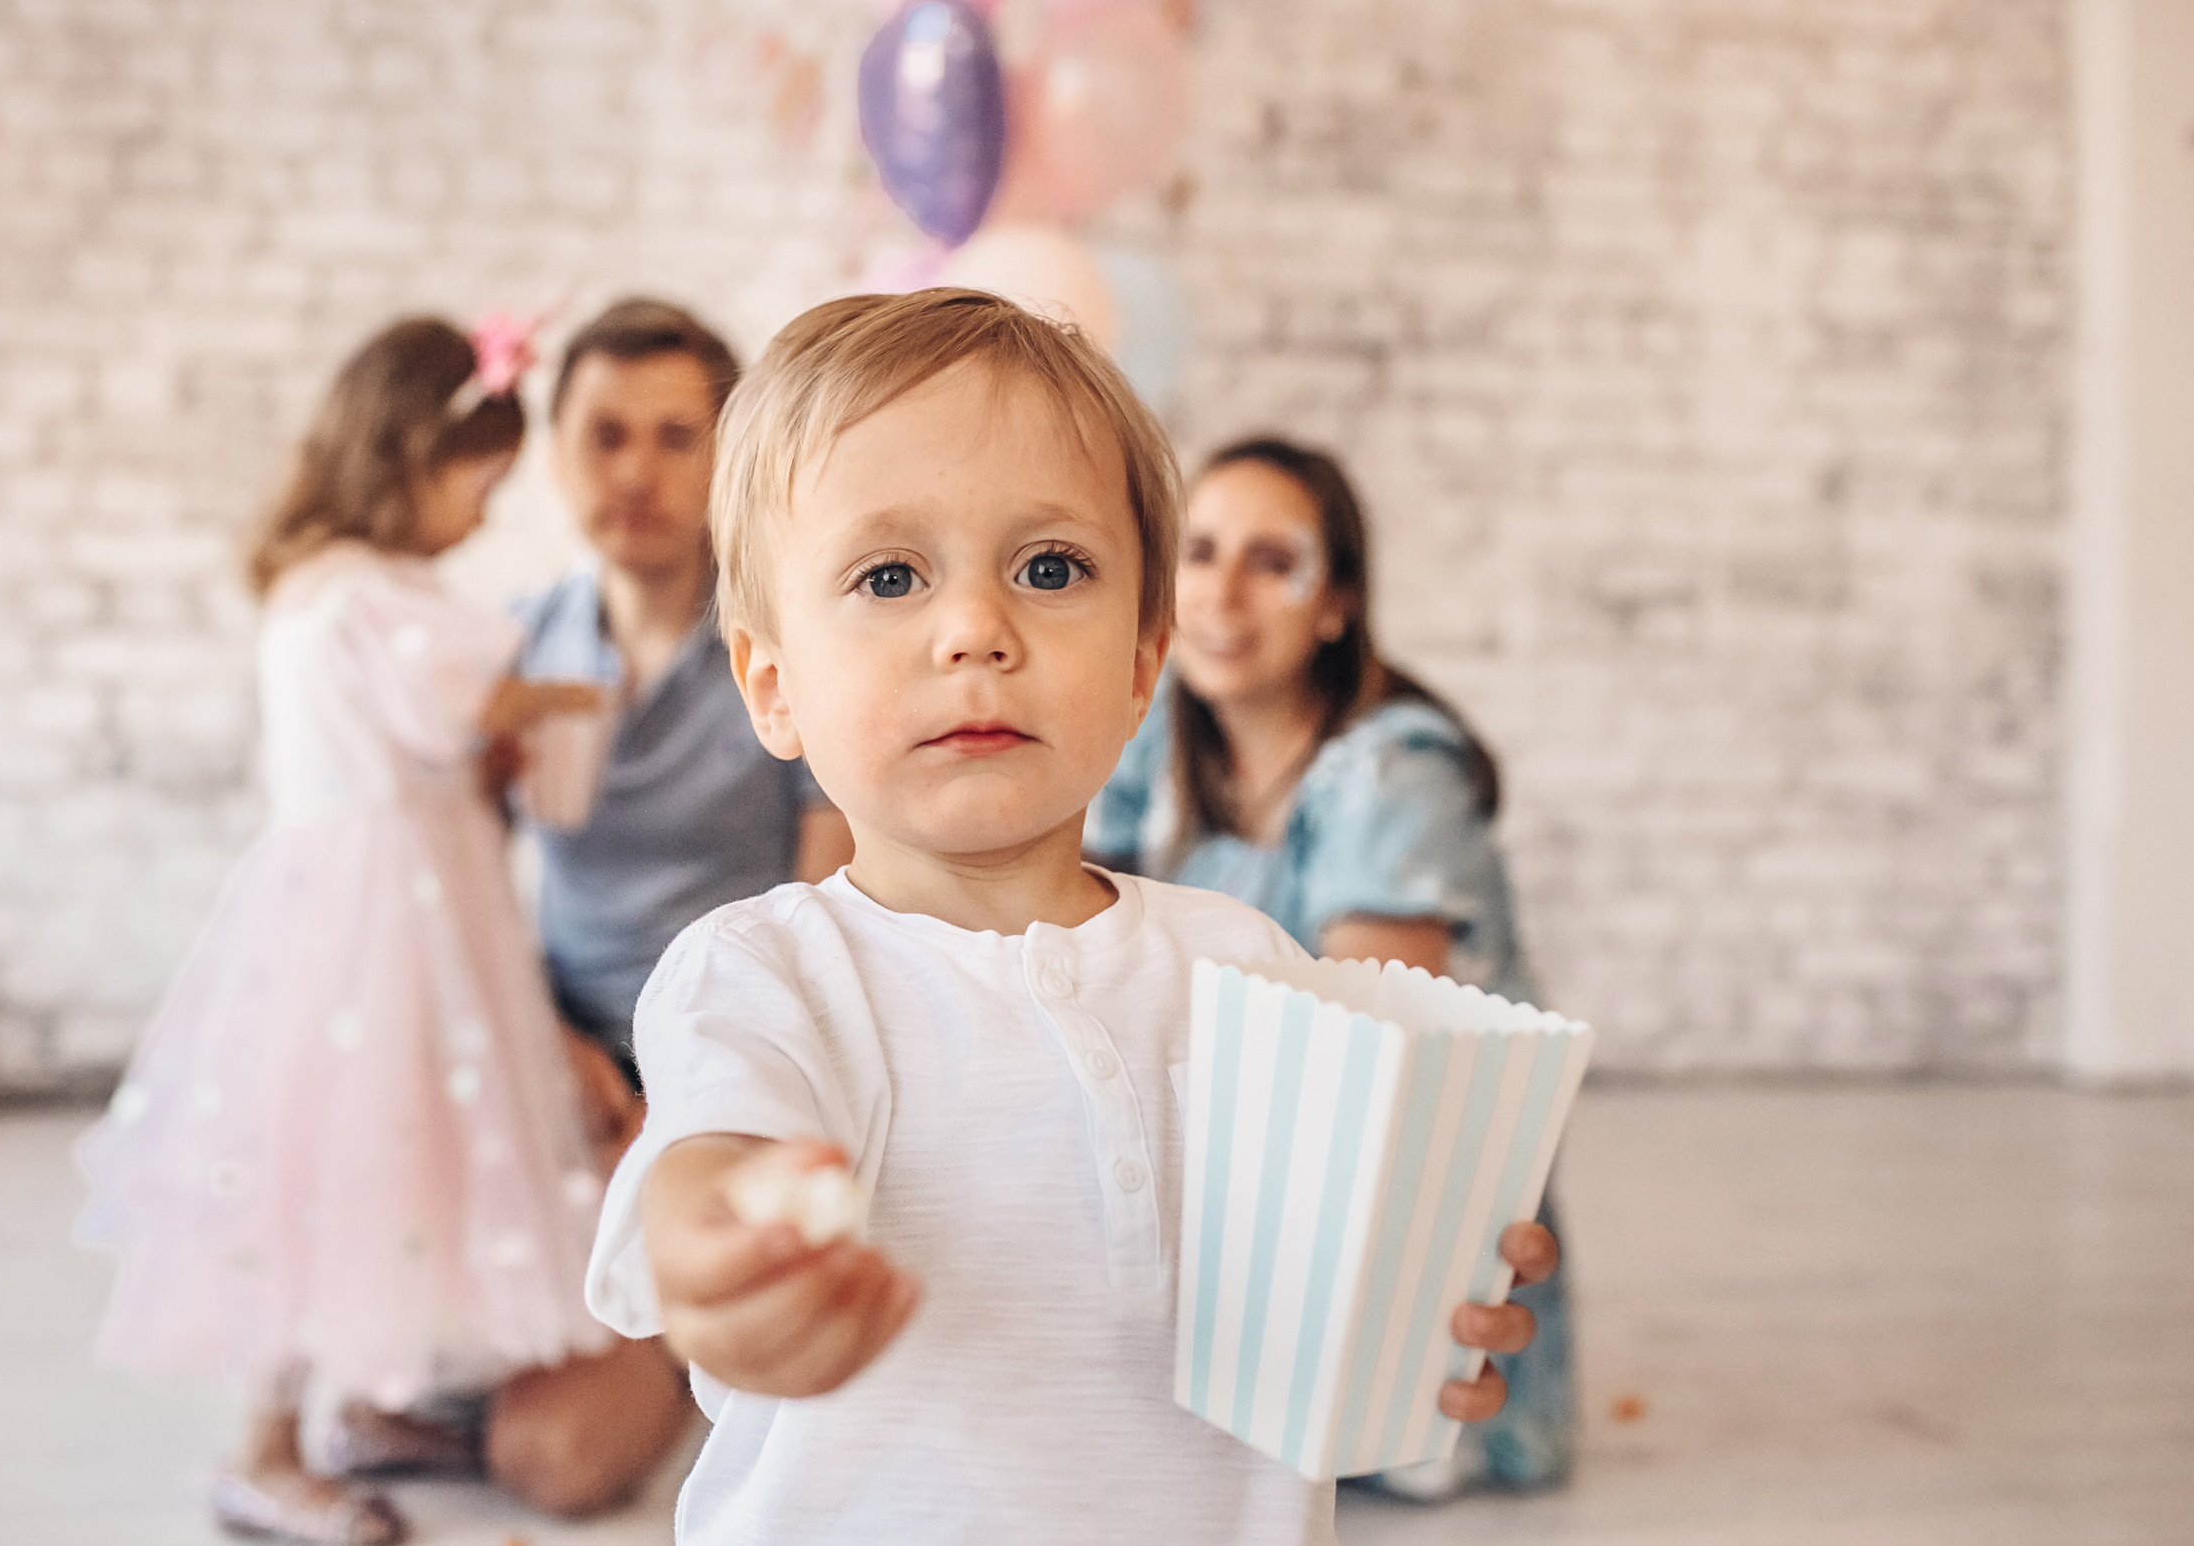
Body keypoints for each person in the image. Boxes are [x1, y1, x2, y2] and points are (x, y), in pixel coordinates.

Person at [584, 288, 1558, 1543]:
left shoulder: (1244, 965)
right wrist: (721, 1245)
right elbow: (710, 1151)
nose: (976, 631)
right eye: (890, 575)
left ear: (1143, 663)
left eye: (1050, 569)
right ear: (772, 686)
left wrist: (1417, 1304)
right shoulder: (765, 973)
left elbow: (1328, 1287)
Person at [75, 315, 690, 1546]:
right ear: (411, 457)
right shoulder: (369, 596)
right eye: (477, 486)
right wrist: (571, 697)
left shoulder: (330, 589)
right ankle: (264, 1448)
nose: (480, 516)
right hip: (382, 926)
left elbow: (442, 735)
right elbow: (477, 697)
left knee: (403, 1165)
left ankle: (369, 1403)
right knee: (342, 1168)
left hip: (398, 906)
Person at [1085, 435, 1577, 1499]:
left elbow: (1360, 1080)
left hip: (1387, 1211)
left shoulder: (1391, 774)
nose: (1222, 595)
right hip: (1237, 1165)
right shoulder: (1164, 733)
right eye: (1200, 552)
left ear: (1336, 604)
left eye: (1273, 562)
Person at [509, 299, 853, 1081]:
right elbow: (454, 885)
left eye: (675, 437)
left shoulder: (790, 647)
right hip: (557, 1061)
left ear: (728, 457)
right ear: (555, 454)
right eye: (606, 436)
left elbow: (828, 904)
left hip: (749, 1049)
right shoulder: (511, 645)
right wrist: (558, 1054)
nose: (636, 474)